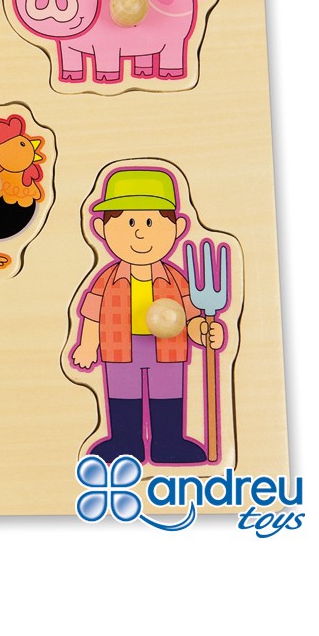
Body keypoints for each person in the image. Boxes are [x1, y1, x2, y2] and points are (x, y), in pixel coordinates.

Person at [70, 168, 224, 464]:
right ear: (101, 229)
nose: (140, 233)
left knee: (167, 395)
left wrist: (204, 333)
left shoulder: (176, 280)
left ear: (178, 227)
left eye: (151, 222)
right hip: (119, 348)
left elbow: (192, 316)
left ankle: (169, 443)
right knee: (122, 396)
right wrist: (88, 345)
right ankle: (125, 443)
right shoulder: (107, 280)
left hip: (168, 348)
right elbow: (93, 314)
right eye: (129, 222)